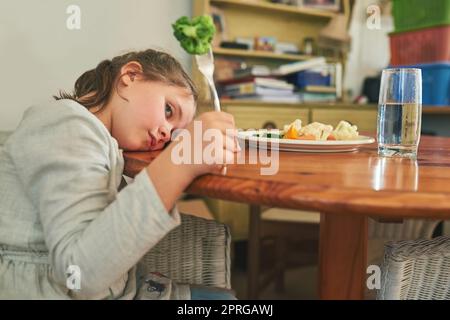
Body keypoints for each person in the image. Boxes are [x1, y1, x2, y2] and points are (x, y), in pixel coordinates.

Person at [0, 48, 239, 299]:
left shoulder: (104, 142)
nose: (166, 135)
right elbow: (80, 274)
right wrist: (179, 163)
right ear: (130, 76)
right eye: (168, 111)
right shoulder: (66, 123)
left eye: (174, 134)